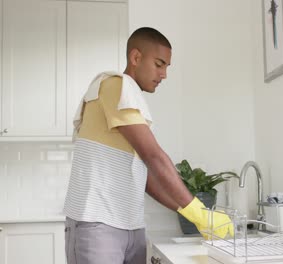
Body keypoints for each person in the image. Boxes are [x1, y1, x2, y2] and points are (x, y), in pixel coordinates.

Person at [63, 27, 232, 264]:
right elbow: (153, 156)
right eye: (159, 64)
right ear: (135, 58)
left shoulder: (130, 101)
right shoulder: (115, 85)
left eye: (166, 67)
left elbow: (147, 178)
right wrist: (199, 211)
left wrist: (191, 214)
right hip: (97, 224)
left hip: (131, 226)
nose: (164, 74)